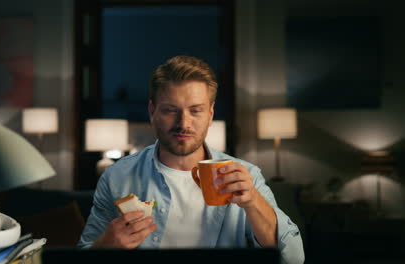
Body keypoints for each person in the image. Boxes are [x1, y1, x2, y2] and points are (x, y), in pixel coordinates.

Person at [78, 56, 305, 263]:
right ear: (152, 111)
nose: (184, 123)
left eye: (195, 111)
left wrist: (253, 202)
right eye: (170, 110)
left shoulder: (247, 176)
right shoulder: (117, 176)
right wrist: (106, 247)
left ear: (210, 115)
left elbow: (293, 258)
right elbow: (82, 256)